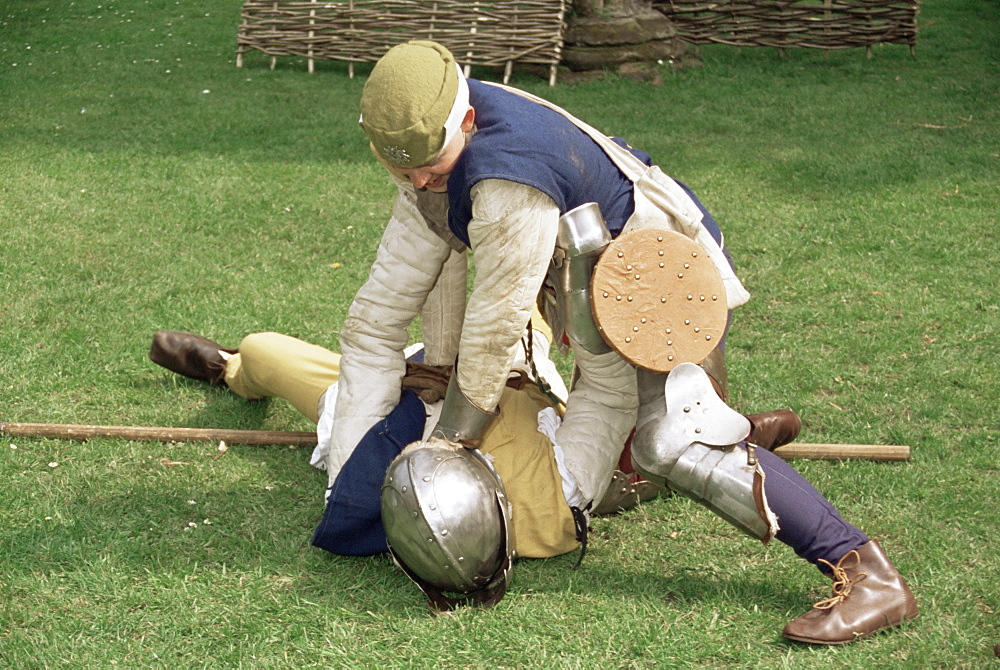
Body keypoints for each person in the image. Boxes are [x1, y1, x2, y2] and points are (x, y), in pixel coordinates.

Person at [329, 39, 917, 644]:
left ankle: (866, 570)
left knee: (677, 442)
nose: (420, 179)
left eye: (431, 163)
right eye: (403, 169)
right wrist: (348, 481)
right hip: (591, 278)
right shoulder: (436, 122)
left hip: (655, 279)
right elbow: (398, 295)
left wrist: (449, 446)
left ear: (469, 123)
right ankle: (731, 425)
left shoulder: (507, 179)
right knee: (635, 443)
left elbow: (494, 324)